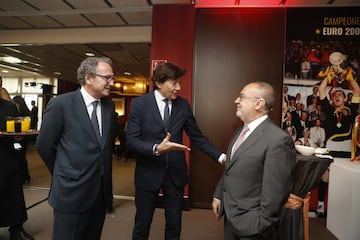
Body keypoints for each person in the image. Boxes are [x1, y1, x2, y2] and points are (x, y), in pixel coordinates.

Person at [126, 62, 226, 240]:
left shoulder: (183, 105)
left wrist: (220, 156)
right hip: (148, 173)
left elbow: (197, 136)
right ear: (159, 83)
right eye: (174, 83)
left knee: (174, 226)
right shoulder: (139, 104)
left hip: (175, 173)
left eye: (180, 83)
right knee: (142, 224)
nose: (179, 88)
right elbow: (132, 142)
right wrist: (156, 148)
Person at [36, 57, 117, 240]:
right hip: (71, 192)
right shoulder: (61, 104)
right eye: (107, 77)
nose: (112, 82)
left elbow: (104, 148)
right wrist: (63, 172)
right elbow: (44, 145)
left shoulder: (108, 106)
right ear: (89, 78)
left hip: (100, 193)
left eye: (112, 78)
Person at [212, 81, 296, 240]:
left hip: (253, 226)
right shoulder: (242, 130)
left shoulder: (277, 140)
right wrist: (219, 195)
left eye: (242, 97)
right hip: (231, 215)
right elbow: (231, 167)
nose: (236, 101)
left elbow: (276, 191)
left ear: (259, 103)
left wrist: (261, 225)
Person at [0, 98, 34, 240]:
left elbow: (17, 132)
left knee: (12, 192)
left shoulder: (9, 106)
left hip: (5, 155)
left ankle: (16, 228)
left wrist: (19, 138)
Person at [12, 95, 32, 184]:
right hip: (24, 139)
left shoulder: (20, 114)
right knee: (21, 158)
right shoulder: (27, 113)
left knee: (19, 158)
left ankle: (23, 176)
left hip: (20, 139)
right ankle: (25, 176)